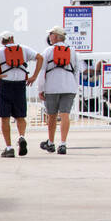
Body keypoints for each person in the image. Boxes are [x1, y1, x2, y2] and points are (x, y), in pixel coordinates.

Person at [0, 31, 42, 158]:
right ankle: (21, 136)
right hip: (20, 85)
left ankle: (9, 148)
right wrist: (34, 76)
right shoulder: (24, 49)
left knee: (5, 117)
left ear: (2, 41)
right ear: (12, 38)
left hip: (5, 85)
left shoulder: (0, 51)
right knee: (20, 116)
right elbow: (40, 57)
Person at [36, 25, 83, 155]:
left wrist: (40, 88)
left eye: (50, 35)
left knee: (51, 116)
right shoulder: (72, 51)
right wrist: (75, 86)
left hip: (52, 87)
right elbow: (77, 70)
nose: (49, 37)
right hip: (69, 86)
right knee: (65, 115)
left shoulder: (48, 51)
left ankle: (50, 143)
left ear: (55, 36)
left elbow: (42, 70)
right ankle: (63, 144)